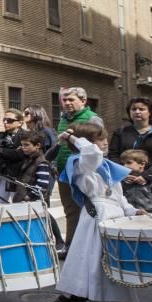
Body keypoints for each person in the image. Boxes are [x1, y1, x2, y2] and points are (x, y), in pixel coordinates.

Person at [52, 123, 152, 302]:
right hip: (98, 219)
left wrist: (132, 210)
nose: (105, 142)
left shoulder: (106, 166)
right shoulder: (80, 163)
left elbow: (118, 197)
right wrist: (73, 139)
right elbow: (91, 153)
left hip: (111, 218)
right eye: (99, 139)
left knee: (100, 268)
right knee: (112, 270)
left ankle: (70, 301)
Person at [54, 87, 103, 249]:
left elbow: (101, 145)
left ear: (83, 101)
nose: (66, 103)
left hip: (84, 174)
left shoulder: (92, 119)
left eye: (71, 100)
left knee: (86, 211)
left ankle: (84, 248)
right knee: (70, 211)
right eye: (65, 100)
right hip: (64, 173)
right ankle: (71, 247)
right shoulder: (63, 119)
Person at [109, 97, 152, 201]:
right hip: (127, 183)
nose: (137, 112)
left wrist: (147, 176)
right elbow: (113, 155)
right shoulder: (121, 132)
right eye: (134, 109)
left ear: (150, 112)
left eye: (142, 109)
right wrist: (123, 174)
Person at [0, 109, 26, 202]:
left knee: (18, 206)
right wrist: (9, 153)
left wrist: (1, 151)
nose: (5, 122)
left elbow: (20, 155)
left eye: (9, 120)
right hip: (0, 174)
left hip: (17, 176)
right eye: (4, 120)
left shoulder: (25, 136)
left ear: (19, 123)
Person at [12, 131, 54, 204]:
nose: (23, 147)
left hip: (34, 202)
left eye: (26, 145)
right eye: (22, 145)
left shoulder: (41, 162)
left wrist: (28, 197)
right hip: (24, 201)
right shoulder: (28, 158)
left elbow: (42, 185)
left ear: (37, 145)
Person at [119, 149, 152, 214]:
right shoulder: (120, 182)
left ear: (142, 164)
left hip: (149, 217)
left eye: (129, 162)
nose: (125, 166)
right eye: (123, 163)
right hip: (127, 217)